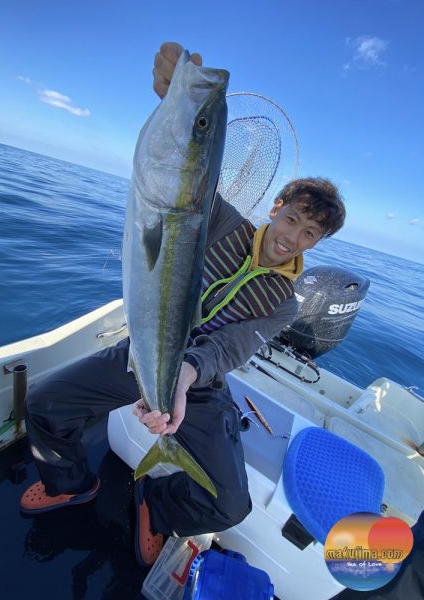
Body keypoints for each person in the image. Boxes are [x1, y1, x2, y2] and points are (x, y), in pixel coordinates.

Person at [20, 42, 346, 568]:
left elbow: (230, 347)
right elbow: (184, 178)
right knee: (43, 402)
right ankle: (70, 482)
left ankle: (158, 504)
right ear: (276, 208)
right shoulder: (220, 222)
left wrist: (188, 375)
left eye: (309, 234)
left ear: (315, 243)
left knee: (231, 503)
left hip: (200, 384)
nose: (293, 237)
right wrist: (174, 98)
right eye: (291, 220)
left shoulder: (285, 303)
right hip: (143, 350)